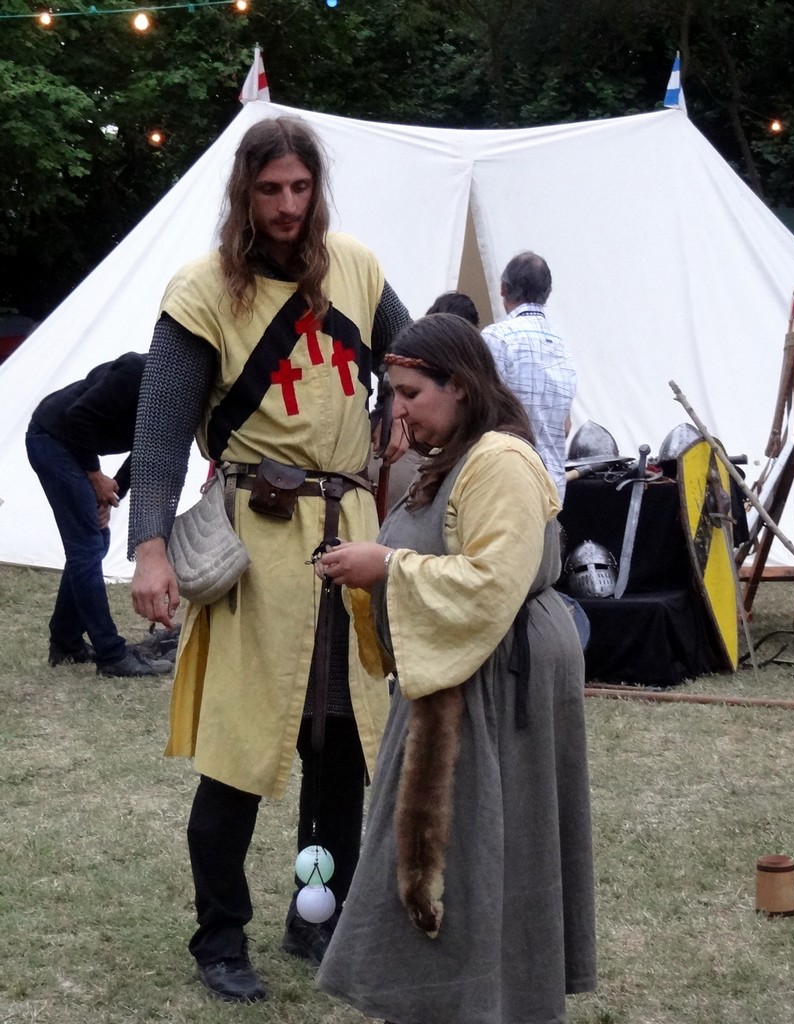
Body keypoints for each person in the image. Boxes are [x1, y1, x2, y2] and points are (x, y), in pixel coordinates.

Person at [127, 115, 411, 1003]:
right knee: (241, 752)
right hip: (259, 541)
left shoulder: (356, 268)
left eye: (300, 187)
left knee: (342, 748)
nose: (287, 206)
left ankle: (315, 916)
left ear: (316, 189)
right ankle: (219, 937)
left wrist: (405, 406)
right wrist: (149, 549)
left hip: (350, 535)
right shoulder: (204, 291)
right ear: (243, 195)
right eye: (269, 190)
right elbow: (159, 433)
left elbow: (414, 356)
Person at [313, 313, 596, 1024]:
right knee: (464, 852)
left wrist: (386, 565)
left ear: (461, 386)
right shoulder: (450, 455)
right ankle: (453, 1002)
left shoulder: (499, 461)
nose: (399, 410)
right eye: (394, 394)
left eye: (411, 393)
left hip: (498, 681)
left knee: (486, 850)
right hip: (454, 674)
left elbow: (492, 582)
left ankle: (491, 1004)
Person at [25, 352, 172, 678]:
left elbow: (143, 453)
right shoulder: (135, 371)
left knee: (95, 542)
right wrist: (95, 476)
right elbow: (78, 417)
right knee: (87, 545)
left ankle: (66, 643)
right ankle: (111, 655)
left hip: (71, 445)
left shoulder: (174, 401)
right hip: (49, 437)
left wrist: (110, 495)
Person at [480, 251, 576, 500]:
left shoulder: (495, 338)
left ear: (503, 288)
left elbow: (480, 415)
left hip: (506, 482)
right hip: (552, 488)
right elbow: (565, 427)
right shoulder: (563, 348)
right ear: (548, 292)